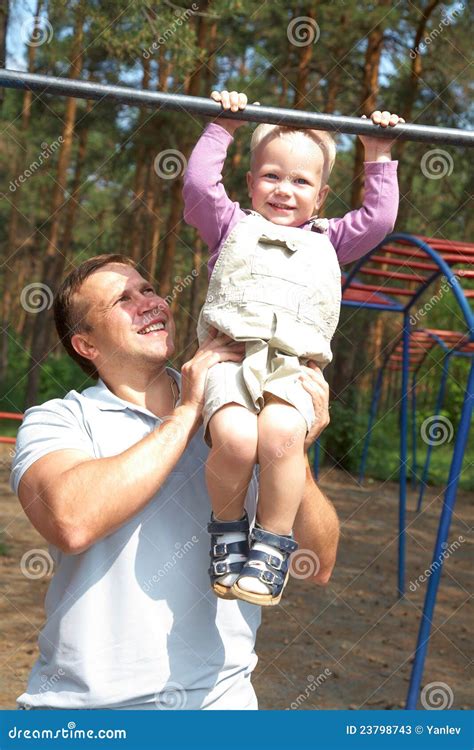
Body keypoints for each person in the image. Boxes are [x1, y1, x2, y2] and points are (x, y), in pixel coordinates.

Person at [10, 254, 339, 710]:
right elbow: (71, 521)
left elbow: (316, 561)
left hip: (219, 707)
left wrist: (294, 451)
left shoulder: (237, 423)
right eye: (122, 299)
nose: (149, 302)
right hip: (85, 711)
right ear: (86, 345)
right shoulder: (60, 420)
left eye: (148, 289)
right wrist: (185, 415)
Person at [183, 90, 404, 606]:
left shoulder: (332, 238)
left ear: (322, 196)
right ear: (250, 182)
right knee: (236, 440)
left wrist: (377, 151)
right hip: (231, 357)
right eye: (271, 176)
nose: (284, 190)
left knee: (283, 432)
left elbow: (380, 219)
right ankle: (229, 530)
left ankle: (272, 544)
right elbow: (197, 184)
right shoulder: (230, 224)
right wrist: (223, 126)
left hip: (292, 368)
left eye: (301, 181)